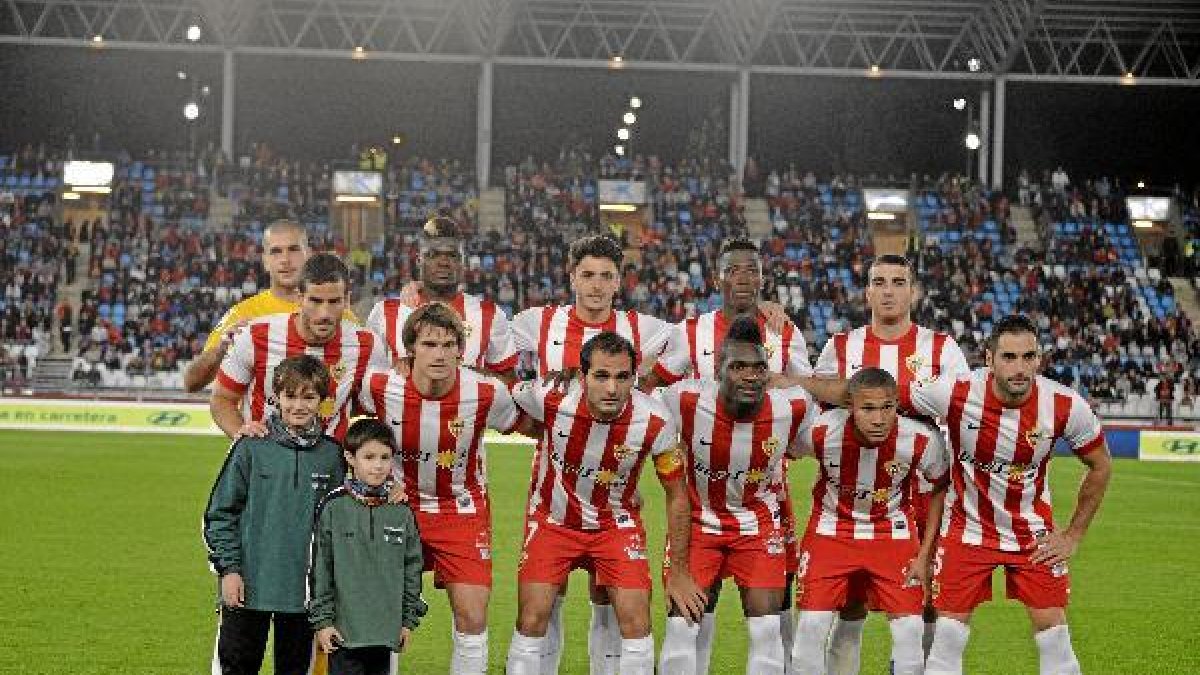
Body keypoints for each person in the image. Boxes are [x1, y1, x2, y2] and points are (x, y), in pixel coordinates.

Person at [858, 314, 1109, 675]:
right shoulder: (955, 392)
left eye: (1028, 357)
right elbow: (880, 395)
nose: (1019, 368)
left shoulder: (1065, 406)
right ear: (989, 360)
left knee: (1054, 639)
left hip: (1031, 533)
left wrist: (1073, 535)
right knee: (947, 638)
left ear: (1039, 359)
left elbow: (1101, 465)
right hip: (967, 530)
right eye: (1009, 357)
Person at [643, 237, 812, 670]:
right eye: (735, 269)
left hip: (765, 492)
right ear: (718, 276)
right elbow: (652, 389)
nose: (744, 277)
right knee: (699, 606)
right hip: (701, 490)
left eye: (753, 270)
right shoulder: (689, 332)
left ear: (762, 277)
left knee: (775, 610)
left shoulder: (784, 332)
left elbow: (809, 397)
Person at [509, 235, 673, 674]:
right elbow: (487, 346)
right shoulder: (540, 322)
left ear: (620, 280)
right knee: (545, 603)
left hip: (615, 497)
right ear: (572, 277)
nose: (596, 286)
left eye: (606, 276)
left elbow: (686, 349)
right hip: (557, 488)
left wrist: (644, 386)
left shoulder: (643, 329)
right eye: (588, 275)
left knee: (610, 601)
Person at [505, 332, 702, 675]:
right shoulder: (550, 395)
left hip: (615, 526)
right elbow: (508, 397)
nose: (612, 388)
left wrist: (680, 571)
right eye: (601, 376)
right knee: (532, 615)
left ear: (634, 378)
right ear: (582, 378)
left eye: (622, 377)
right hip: (554, 522)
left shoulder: (655, 421)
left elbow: (677, 494)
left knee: (637, 621)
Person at [814, 254, 970, 671]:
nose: (888, 290)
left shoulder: (941, 348)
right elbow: (820, 406)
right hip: (859, 497)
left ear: (913, 291)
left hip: (925, 491)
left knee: (930, 599)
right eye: (879, 282)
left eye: (899, 282)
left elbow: (960, 410)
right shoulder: (841, 346)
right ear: (867, 292)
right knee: (851, 604)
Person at [356, 302, 522, 675]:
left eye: (450, 345)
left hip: (460, 509)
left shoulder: (485, 393)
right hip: (398, 506)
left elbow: (528, 425)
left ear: (461, 351)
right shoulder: (380, 387)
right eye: (430, 344)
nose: (441, 354)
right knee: (381, 610)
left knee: (472, 616)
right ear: (410, 348)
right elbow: (342, 426)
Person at [788, 368, 950, 675]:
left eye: (887, 407)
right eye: (868, 408)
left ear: (897, 405)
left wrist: (926, 553)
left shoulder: (920, 440)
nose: (878, 419)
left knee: (910, 630)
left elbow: (940, 486)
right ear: (849, 406)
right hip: (830, 531)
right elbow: (780, 452)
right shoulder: (820, 431)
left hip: (892, 533)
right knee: (810, 626)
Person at [203, 355, 345, 675]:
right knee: (237, 667)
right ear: (276, 397)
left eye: (308, 397)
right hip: (248, 586)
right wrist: (229, 570)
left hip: (303, 592)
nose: (298, 405)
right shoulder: (250, 446)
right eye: (290, 396)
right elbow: (219, 514)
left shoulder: (333, 456)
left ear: (321, 401)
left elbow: (341, 523)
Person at [210, 253, 389, 441]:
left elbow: (376, 408)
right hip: (263, 461)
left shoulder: (368, 345)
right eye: (315, 301)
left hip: (327, 466)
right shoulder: (255, 335)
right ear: (299, 298)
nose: (324, 313)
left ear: (347, 300)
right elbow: (222, 399)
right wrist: (241, 434)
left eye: (334, 301)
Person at [308, 418, 428, 675]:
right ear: (350, 458)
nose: (378, 465)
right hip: (343, 633)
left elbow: (412, 569)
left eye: (385, 457)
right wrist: (323, 622)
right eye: (369, 457)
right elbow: (320, 569)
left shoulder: (401, 511)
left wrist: (408, 620)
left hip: (385, 632)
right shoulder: (333, 507)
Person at [185, 220, 354, 393]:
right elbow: (191, 383)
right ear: (265, 261)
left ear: (308, 254)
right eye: (276, 252)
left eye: (294, 249)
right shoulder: (243, 315)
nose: (285, 260)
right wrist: (220, 352)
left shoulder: (342, 316)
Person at [366, 216, 517, 381]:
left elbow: (509, 382)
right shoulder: (385, 313)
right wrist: (394, 372)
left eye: (452, 255)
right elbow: (365, 379)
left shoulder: (490, 314)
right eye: (433, 255)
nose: (443, 262)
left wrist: (465, 375)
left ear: (463, 262)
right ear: (419, 260)